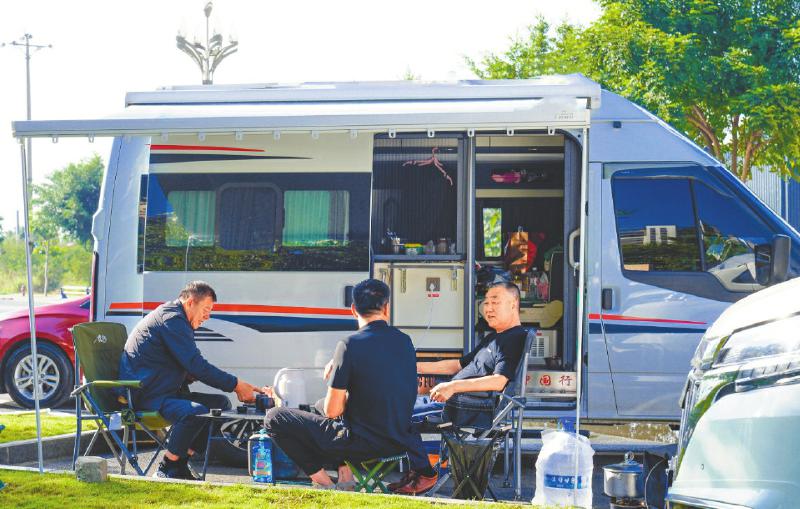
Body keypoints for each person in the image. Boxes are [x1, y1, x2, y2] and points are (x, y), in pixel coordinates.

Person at [264, 278, 419, 490]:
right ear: (386, 308)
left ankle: (325, 483)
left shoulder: (349, 345)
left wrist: (338, 371)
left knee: (275, 417)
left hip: (362, 445)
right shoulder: (404, 341)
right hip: (397, 441)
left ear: (353, 310)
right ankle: (346, 477)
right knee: (318, 405)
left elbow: (333, 410)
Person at [390, 281, 526, 495]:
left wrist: (453, 386)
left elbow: (499, 381)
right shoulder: (495, 337)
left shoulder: (514, 338)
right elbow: (457, 365)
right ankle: (419, 471)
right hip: (456, 401)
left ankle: (425, 473)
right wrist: (412, 365)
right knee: (396, 409)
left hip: (469, 407)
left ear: (513, 304)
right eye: (486, 302)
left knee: (398, 415)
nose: (488, 308)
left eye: (495, 302)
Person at [119, 281, 265, 480]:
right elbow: (196, 364)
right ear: (190, 302)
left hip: (163, 390)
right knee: (195, 411)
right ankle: (166, 467)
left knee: (220, 405)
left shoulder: (176, 318)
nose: (207, 316)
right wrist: (236, 385)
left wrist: (192, 374)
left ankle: (180, 463)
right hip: (145, 394)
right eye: (206, 309)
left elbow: (187, 365)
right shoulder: (172, 319)